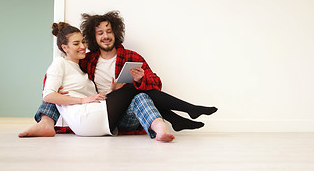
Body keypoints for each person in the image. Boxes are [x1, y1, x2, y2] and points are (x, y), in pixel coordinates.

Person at [18, 11, 217, 139]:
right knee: (130, 90)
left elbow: (157, 84)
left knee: (138, 93)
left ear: (116, 33)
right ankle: (186, 112)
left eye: (109, 31)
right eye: (99, 33)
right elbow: (53, 84)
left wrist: (140, 80)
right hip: (99, 111)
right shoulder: (86, 60)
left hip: (124, 114)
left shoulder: (131, 57)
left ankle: (167, 125)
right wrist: (62, 99)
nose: (105, 36)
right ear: (94, 37)